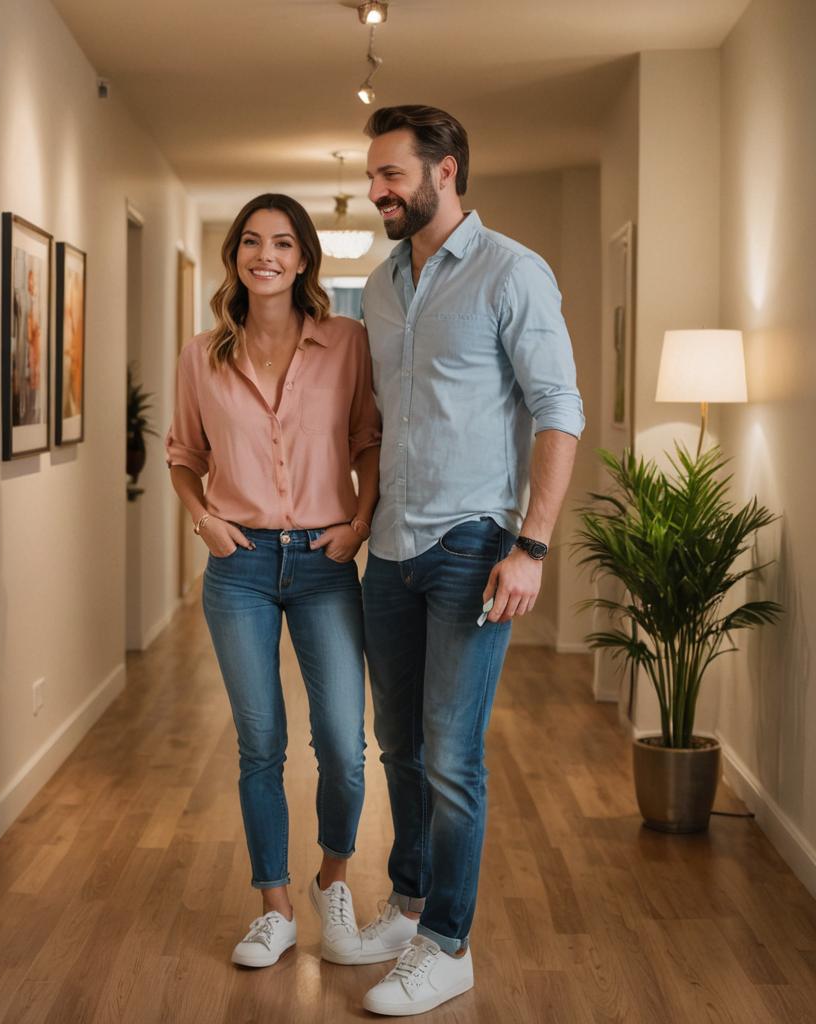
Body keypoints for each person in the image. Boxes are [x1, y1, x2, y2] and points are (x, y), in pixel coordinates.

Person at [354, 106, 584, 1016]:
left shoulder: (511, 271)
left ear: (445, 171)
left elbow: (559, 410)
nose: (376, 190)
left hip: (473, 548)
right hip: (390, 551)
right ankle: (410, 906)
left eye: (391, 175)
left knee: (453, 755)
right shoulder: (378, 284)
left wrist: (532, 545)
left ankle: (450, 943)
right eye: (374, 176)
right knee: (400, 746)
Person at [166, 193, 382, 969]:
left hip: (325, 563)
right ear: (235, 257)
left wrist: (358, 524)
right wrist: (202, 519)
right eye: (252, 242)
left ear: (303, 258)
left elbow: (368, 439)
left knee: (343, 747)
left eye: (283, 243)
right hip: (241, 566)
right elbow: (182, 454)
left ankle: (332, 881)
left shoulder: (348, 341)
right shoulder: (202, 355)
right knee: (261, 743)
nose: (267, 255)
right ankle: (274, 907)